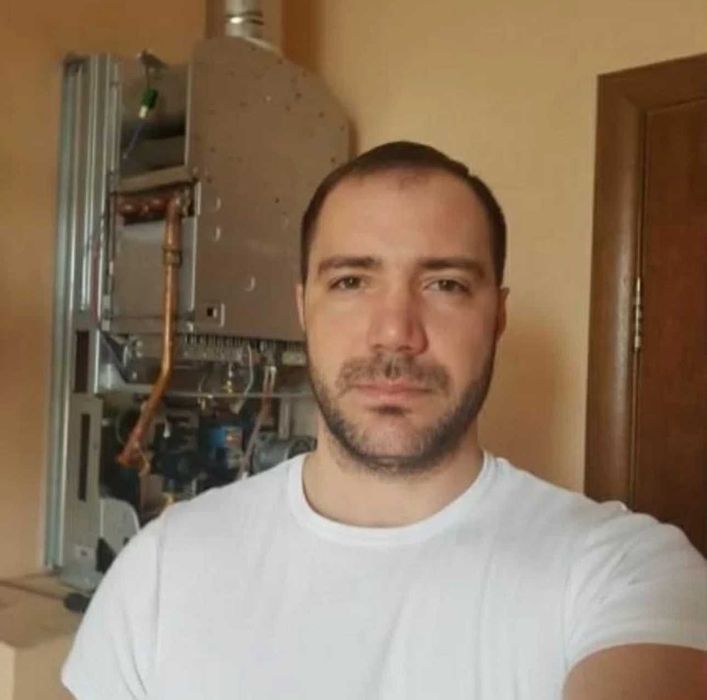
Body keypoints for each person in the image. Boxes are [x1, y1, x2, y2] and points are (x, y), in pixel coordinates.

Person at [62, 142, 706, 699]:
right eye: (351, 281)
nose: (395, 332)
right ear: (303, 309)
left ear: (498, 316)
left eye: (445, 284)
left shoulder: (627, 572)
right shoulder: (163, 568)